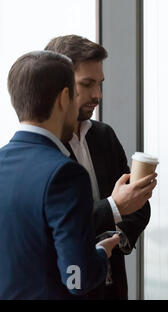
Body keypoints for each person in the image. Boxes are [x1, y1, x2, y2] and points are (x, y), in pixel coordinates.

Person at [0, 51, 119, 299]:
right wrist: (99, 254)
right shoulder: (65, 174)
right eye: (76, 95)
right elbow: (77, 278)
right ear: (65, 98)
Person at [45, 35, 156, 300]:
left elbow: (138, 206)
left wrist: (116, 235)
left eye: (100, 84)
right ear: (60, 86)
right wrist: (114, 208)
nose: (98, 95)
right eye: (87, 84)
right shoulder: (43, 147)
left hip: (112, 286)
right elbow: (56, 223)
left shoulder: (105, 135)